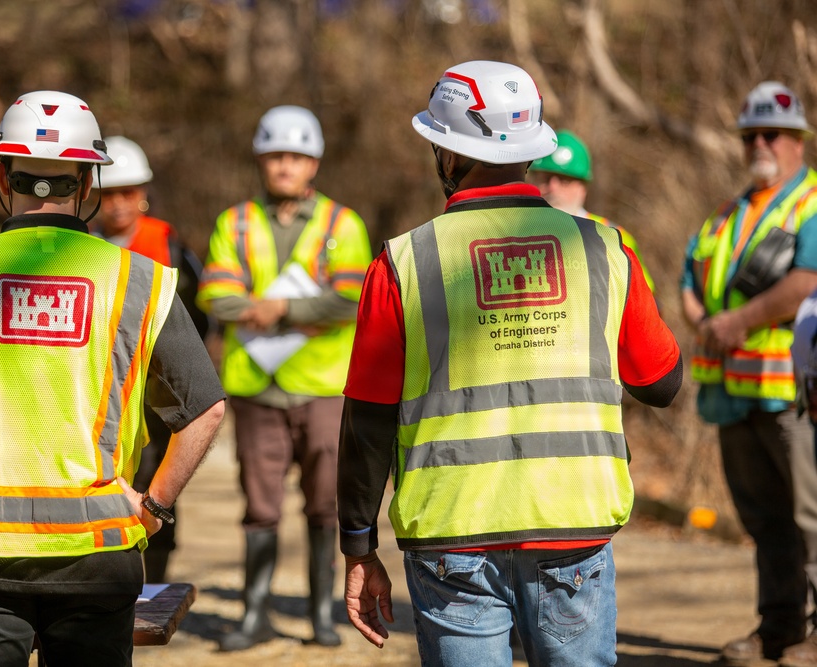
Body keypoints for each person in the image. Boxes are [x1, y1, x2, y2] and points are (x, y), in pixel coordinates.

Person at [337, 61, 682, 667]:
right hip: (572, 522)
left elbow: (368, 419)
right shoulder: (604, 249)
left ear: (448, 153)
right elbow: (660, 382)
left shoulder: (401, 263)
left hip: (452, 531)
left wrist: (358, 546)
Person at [0, 90, 226, 667]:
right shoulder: (138, 281)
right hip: (99, 553)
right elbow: (205, 409)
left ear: (3, 176)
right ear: (89, 184)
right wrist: (154, 508)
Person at [197, 104, 372, 650]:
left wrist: (279, 310)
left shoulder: (343, 225)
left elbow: (353, 299)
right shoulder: (236, 222)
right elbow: (214, 295)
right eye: (275, 156)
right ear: (261, 160)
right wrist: (271, 306)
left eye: (295, 157)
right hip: (256, 390)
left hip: (323, 388)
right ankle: (254, 616)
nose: (284, 166)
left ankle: (323, 614)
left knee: (325, 505)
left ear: (313, 163)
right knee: (260, 508)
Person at [682, 80, 817, 667]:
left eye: (772, 134)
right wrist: (703, 320)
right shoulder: (725, 214)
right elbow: (690, 277)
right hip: (733, 394)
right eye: (750, 135)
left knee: (811, 517)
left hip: (796, 392)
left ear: (798, 141)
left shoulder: (811, 204)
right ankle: (779, 628)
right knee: (765, 521)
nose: (759, 143)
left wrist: (737, 320)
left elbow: (805, 281)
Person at [89, 134, 212, 583]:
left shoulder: (172, 249)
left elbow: (200, 319)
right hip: (98, 394)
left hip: (156, 399)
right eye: (109, 193)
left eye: (128, 191)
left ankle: (153, 583)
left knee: (156, 485)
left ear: (143, 194)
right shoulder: (76, 247)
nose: (119, 203)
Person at [529, 129, 656, 292]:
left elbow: (644, 300)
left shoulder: (615, 237)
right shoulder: (514, 234)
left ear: (583, 188)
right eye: (545, 178)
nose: (553, 188)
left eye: (564, 180)